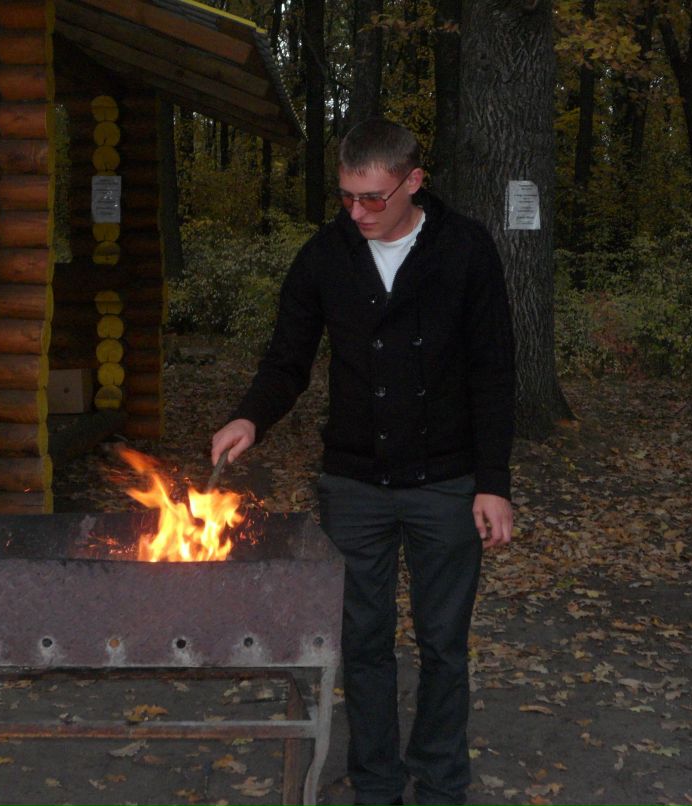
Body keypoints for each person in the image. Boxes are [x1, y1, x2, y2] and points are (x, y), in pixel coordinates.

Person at [211, 118, 516, 806]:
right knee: (364, 642)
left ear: (413, 182)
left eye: (372, 198)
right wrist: (249, 416)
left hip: (446, 481)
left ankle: (439, 782)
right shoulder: (326, 255)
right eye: (347, 196)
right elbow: (287, 359)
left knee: (443, 644)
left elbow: (495, 372)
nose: (357, 211)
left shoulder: (465, 250)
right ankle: (376, 783)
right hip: (353, 485)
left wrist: (493, 484)